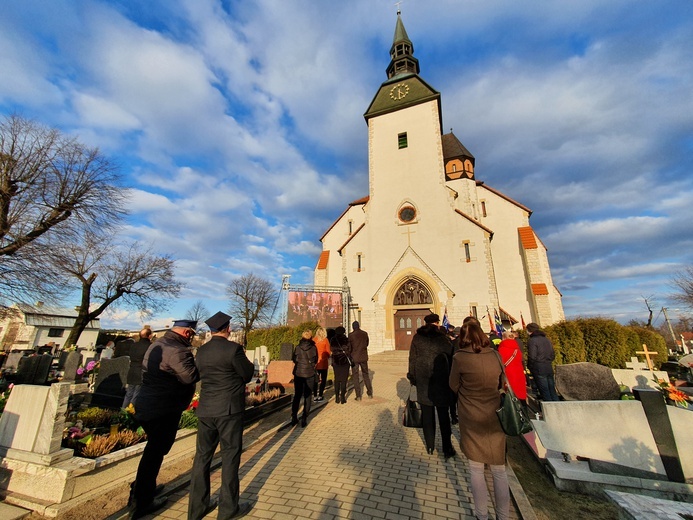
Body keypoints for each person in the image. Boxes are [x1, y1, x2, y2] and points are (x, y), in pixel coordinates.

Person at [130, 320, 200, 519]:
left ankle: (143, 488)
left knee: (153, 451)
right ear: (187, 332)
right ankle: (141, 500)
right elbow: (190, 377)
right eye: (192, 334)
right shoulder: (178, 350)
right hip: (163, 408)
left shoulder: (158, 343)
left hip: (148, 404)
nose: (191, 338)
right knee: (154, 453)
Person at [188, 312, 254, 520]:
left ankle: (197, 509)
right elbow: (247, 374)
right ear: (227, 329)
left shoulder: (202, 351)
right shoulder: (234, 349)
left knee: (202, 458)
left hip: (206, 409)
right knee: (230, 456)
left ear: (210, 331)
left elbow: (199, 374)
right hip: (229, 411)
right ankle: (227, 509)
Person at [449, 320, 509, 520]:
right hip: (494, 413)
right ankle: (503, 516)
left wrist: (467, 395)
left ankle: (481, 515)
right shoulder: (495, 355)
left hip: (471, 414)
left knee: (475, 468)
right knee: (499, 469)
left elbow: (453, 384)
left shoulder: (460, 358)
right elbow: (503, 382)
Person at [407, 313, 456, 458]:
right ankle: (447, 448)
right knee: (443, 416)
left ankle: (430, 446)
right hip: (440, 379)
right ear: (436, 323)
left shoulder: (417, 337)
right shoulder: (443, 338)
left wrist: (412, 376)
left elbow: (412, 358)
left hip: (423, 380)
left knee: (427, 416)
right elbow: (451, 356)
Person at [526, 322, 560, 401]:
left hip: (538, 368)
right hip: (548, 366)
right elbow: (552, 354)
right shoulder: (546, 339)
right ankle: (558, 408)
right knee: (552, 390)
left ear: (530, 331)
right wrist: (547, 361)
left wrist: (530, 366)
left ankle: (549, 410)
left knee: (545, 391)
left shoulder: (532, 341)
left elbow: (532, 356)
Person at [291, 330, 318, 427]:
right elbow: (316, 360)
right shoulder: (314, 348)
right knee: (307, 396)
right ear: (311, 337)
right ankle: (304, 418)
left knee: (297, 395)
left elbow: (294, 359)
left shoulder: (298, 347)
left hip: (298, 374)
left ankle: (294, 417)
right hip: (309, 374)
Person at [122, 328, 153, 408]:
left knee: (129, 393)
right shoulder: (150, 346)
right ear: (149, 336)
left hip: (132, 370)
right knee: (136, 394)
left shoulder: (134, 345)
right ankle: (130, 414)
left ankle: (122, 411)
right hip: (142, 371)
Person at [497, 330, 528, 406]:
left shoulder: (501, 349)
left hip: (508, 375)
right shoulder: (517, 349)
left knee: (510, 395)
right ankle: (523, 412)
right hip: (519, 374)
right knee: (520, 394)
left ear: (503, 338)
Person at [348, 321, 372, 400]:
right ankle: (370, 393)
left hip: (355, 358)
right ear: (359, 326)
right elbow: (367, 343)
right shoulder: (364, 334)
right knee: (366, 375)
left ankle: (358, 395)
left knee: (355, 376)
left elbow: (349, 347)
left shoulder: (351, 335)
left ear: (353, 327)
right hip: (363, 357)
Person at [330, 326, 350, 404]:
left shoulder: (333, 339)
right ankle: (342, 398)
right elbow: (349, 349)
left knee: (337, 379)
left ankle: (337, 397)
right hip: (344, 361)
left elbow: (331, 349)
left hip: (335, 361)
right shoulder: (346, 339)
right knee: (344, 379)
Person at [312, 327, 331, 402]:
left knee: (315, 380)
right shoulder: (325, 340)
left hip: (316, 363)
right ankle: (320, 395)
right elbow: (328, 352)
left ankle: (315, 396)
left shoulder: (314, 340)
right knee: (323, 380)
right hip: (323, 363)